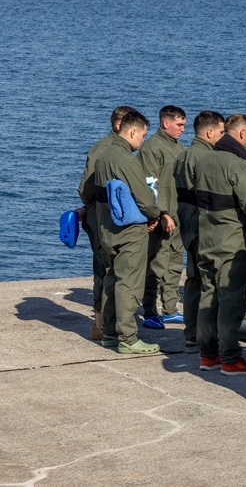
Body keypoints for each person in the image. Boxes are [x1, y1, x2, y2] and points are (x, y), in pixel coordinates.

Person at [87, 109, 168, 354]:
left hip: (106, 228)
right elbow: (144, 198)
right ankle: (128, 338)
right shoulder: (127, 161)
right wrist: (155, 216)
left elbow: (89, 192)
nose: (142, 140)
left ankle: (110, 333)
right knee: (129, 283)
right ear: (132, 132)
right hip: (129, 231)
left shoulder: (103, 158)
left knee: (111, 279)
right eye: (142, 136)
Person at [193, 114, 246, 376]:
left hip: (206, 237)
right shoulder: (237, 164)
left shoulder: (203, 159)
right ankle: (231, 358)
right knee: (231, 299)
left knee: (208, 296)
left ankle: (208, 355)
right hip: (232, 241)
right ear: (242, 134)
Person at [77, 105, 134, 341]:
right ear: (121, 126)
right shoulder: (108, 149)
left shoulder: (105, 148)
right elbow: (86, 190)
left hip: (103, 214)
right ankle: (102, 325)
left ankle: (105, 323)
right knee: (106, 270)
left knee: (107, 270)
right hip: (104, 216)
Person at [173, 110, 226, 353]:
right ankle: (201, 334)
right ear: (209, 132)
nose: (223, 136)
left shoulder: (184, 155)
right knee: (206, 281)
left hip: (188, 225)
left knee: (194, 280)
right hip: (202, 226)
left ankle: (191, 332)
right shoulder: (205, 158)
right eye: (221, 132)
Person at [138, 105, 186, 327]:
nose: (183, 129)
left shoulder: (178, 147)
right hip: (161, 218)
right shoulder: (152, 149)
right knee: (155, 264)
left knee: (175, 263)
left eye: (184, 125)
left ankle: (169, 308)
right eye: (179, 124)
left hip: (178, 215)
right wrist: (162, 214)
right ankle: (149, 311)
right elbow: (150, 186)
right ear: (166, 123)